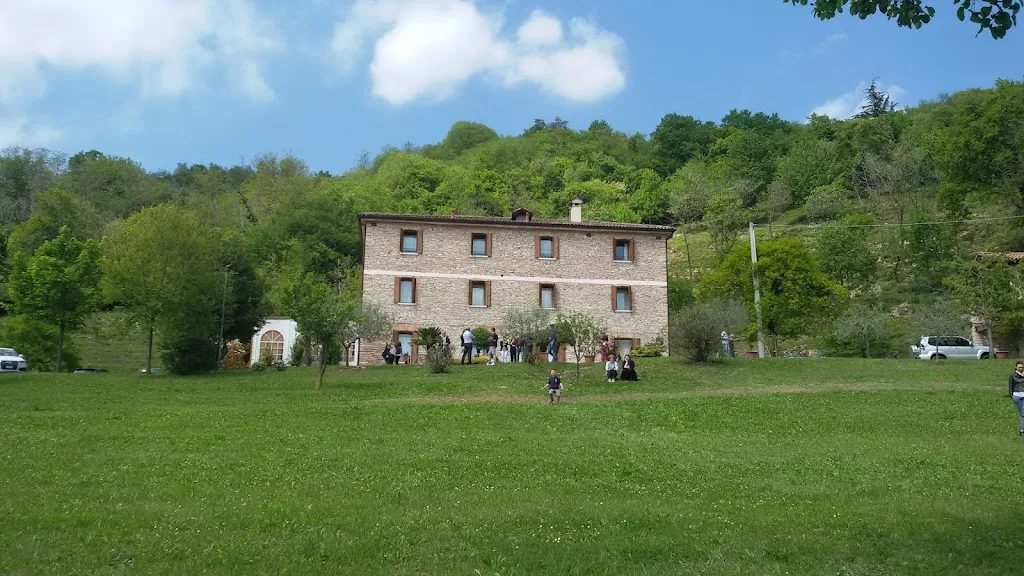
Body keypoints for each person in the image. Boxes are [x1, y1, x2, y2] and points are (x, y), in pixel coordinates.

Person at [1010, 361, 1024, 435]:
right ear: (1016, 367)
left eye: (1022, 367)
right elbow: (1010, 386)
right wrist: (1012, 396)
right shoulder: (1012, 375)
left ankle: (1022, 430)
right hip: (1017, 396)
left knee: (1023, 414)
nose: (1021, 368)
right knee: (1022, 413)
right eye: (1019, 367)